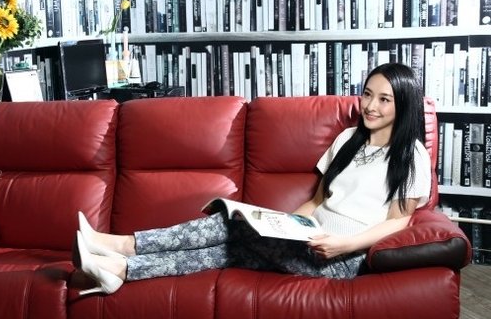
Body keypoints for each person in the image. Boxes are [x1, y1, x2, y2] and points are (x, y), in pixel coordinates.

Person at [72, 62, 432, 295]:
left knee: (232, 225)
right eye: (367, 94)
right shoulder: (347, 139)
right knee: (227, 251)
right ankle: (120, 268)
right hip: (309, 240)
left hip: (343, 259)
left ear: (403, 105)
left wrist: (344, 245)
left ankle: (121, 245)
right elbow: (317, 201)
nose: (371, 106)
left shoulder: (410, 154)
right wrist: (290, 224)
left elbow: (398, 221)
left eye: (384, 99)